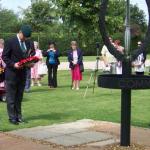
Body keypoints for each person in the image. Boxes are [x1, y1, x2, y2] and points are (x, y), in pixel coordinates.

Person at [2, 25, 35, 125]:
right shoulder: (10, 41)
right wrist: (13, 64)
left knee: (19, 97)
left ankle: (19, 117)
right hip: (12, 73)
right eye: (24, 36)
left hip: (23, 73)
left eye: (27, 37)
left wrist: (30, 63)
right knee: (11, 97)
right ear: (20, 32)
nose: (25, 39)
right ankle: (12, 118)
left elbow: (30, 55)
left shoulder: (28, 42)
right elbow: (4, 56)